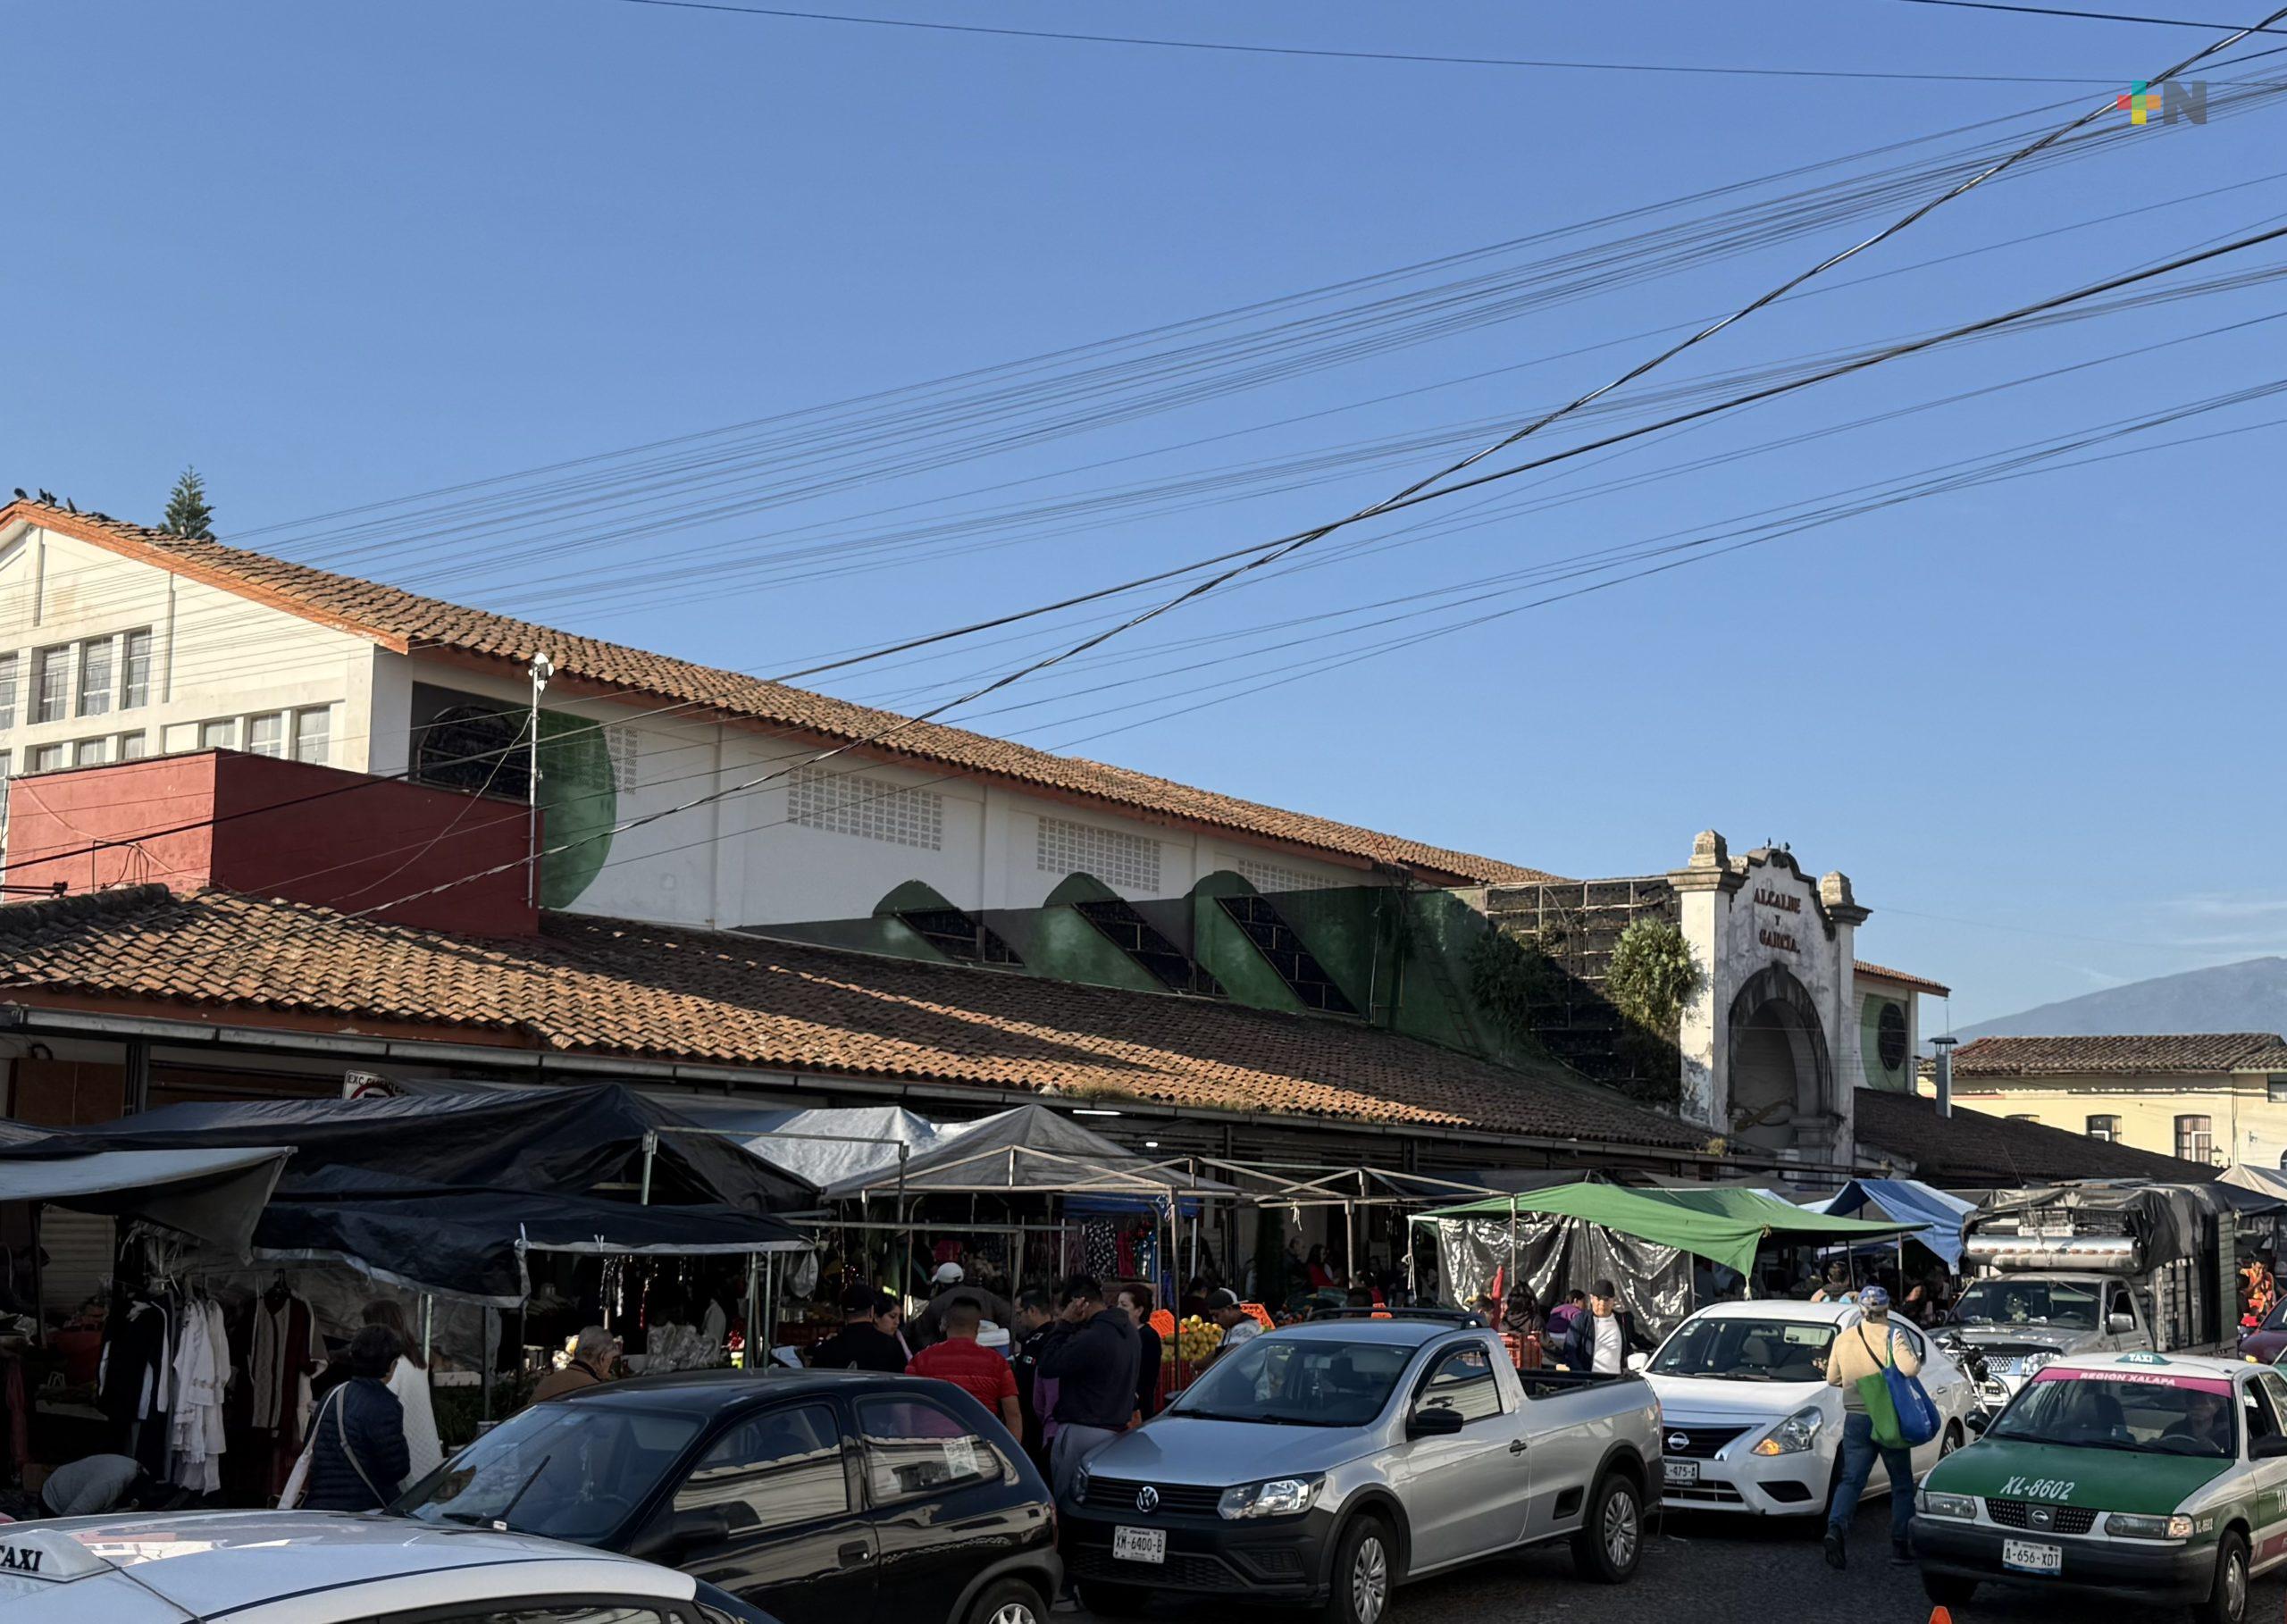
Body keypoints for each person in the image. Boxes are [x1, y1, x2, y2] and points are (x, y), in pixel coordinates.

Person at [1822, 1286, 1923, 1570]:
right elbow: (1910, 1369)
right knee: (1901, 1484)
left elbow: (1832, 1378)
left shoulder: (1844, 1339)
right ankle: (1900, 1546)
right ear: (1886, 1309)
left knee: (1851, 1480)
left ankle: (1835, 1528)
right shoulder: (1893, 1335)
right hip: (1888, 1418)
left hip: (1856, 1419)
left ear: (1861, 1310)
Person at [1035, 1274, 1139, 1500]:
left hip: (1082, 1429)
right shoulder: (1130, 1332)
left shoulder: (1092, 1336)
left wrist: (1064, 1324)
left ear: (1079, 1303)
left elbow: (1047, 1365)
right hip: (1115, 1429)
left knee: (1069, 1499)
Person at [302, 1325, 412, 1512]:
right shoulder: (385, 1405)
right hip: (364, 1509)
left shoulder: (331, 1395)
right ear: (391, 1365)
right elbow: (396, 1468)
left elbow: (311, 1448)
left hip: (319, 1506)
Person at [907, 1300, 1022, 1435]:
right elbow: (1013, 1415)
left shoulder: (921, 1360)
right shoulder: (998, 1363)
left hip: (931, 1442)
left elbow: (905, 1408)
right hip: (981, 1442)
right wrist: (1009, 1447)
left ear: (945, 1325)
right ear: (978, 1327)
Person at [911, 1262, 1016, 1351]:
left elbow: (921, 1334)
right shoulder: (986, 1296)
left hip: (949, 1355)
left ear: (941, 1284)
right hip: (987, 1352)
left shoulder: (937, 1303)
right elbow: (1009, 1318)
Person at [809, 1283, 908, 1373]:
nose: (897, 1322)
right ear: (872, 1311)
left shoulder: (825, 1350)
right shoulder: (893, 1348)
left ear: (842, 1313)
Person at [1009, 1288, 1057, 1472]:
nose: (1018, 1319)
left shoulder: (1043, 1342)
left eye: (1019, 1313)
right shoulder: (1037, 1340)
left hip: (1037, 1422)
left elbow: (1029, 1383)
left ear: (1032, 1311)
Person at [1562, 1281, 1651, 1374]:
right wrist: (1583, 1376)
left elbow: (1636, 1340)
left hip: (1616, 1379)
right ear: (1592, 1299)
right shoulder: (1581, 1321)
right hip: (1590, 1379)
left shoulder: (1623, 1322)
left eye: (1606, 1299)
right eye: (1598, 1299)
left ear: (1613, 1300)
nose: (1602, 1303)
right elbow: (1569, 1352)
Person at [40, 1452, 152, 1517]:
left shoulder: (142, 1474)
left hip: (89, 1488)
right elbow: (68, 1519)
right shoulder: (105, 1486)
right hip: (55, 1497)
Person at [533, 1327, 619, 1402]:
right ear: (602, 1357)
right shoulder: (597, 1392)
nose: (611, 1363)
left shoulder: (545, 1383)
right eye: (612, 1358)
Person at [1116, 1285, 1163, 1420]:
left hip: (1138, 1407)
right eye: (1118, 1304)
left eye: (1124, 1305)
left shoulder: (1148, 1337)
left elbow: (1144, 1377)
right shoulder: (1124, 1332)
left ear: (1139, 1310)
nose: (1118, 1308)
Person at [1204, 1288, 1261, 1367]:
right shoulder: (1229, 1328)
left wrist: (1209, 1372)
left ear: (1229, 1309)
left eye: (1216, 1315)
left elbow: (1230, 1355)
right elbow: (1218, 1353)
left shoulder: (1247, 1327)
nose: (1214, 1320)